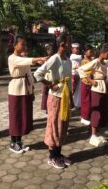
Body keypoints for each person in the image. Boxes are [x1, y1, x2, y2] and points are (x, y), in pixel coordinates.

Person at [34, 33, 73, 169]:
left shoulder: (68, 60)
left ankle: (59, 154)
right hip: (55, 98)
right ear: (62, 44)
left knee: (62, 126)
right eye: (69, 42)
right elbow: (37, 74)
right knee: (54, 125)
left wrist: (71, 99)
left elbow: (69, 82)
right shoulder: (54, 59)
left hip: (65, 98)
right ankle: (52, 157)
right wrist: (50, 84)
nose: (71, 45)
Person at [8, 35, 46, 154]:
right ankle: (13, 142)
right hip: (16, 89)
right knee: (16, 116)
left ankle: (19, 141)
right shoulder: (12, 58)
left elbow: (29, 73)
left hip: (25, 88)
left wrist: (32, 89)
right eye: (22, 44)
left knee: (23, 115)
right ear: (15, 45)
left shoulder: (22, 58)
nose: (24, 46)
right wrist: (38, 58)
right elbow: (24, 61)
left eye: (25, 44)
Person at [78, 44, 108, 147]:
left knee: (102, 110)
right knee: (96, 111)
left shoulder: (104, 63)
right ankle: (93, 135)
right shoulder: (95, 61)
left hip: (104, 88)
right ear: (102, 53)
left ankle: (97, 133)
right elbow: (81, 69)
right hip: (96, 88)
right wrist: (90, 80)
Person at [80, 45, 95, 126]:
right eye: (90, 51)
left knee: (90, 100)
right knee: (85, 100)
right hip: (85, 82)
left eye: (92, 51)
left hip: (90, 82)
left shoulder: (90, 60)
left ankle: (88, 115)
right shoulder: (84, 61)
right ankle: (84, 117)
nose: (92, 52)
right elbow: (84, 72)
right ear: (85, 52)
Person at [40, 43, 54, 116]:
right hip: (47, 77)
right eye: (48, 49)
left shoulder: (55, 57)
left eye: (50, 49)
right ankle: (47, 109)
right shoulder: (45, 58)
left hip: (53, 77)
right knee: (46, 94)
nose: (49, 51)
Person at [70, 43, 82, 109]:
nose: (78, 50)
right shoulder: (72, 56)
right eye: (76, 48)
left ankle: (76, 103)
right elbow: (80, 57)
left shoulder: (78, 56)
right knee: (73, 90)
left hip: (78, 74)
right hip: (73, 74)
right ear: (72, 49)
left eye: (78, 48)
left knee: (78, 90)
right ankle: (70, 103)